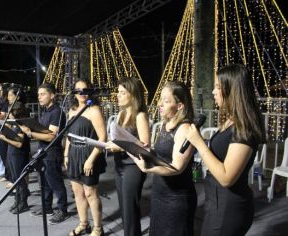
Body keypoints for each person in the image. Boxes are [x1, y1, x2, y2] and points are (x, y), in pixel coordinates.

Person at [185, 64, 266, 235]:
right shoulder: (230, 120)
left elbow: (226, 177)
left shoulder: (244, 128)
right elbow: (224, 151)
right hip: (215, 203)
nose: (213, 92)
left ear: (232, 90)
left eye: (217, 87)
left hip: (229, 208)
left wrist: (199, 143)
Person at [129, 81, 197, 236]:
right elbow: (161, 155)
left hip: (177, 198)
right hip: (160, 191)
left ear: (179, 106)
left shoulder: (184, 128)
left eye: (166, 101)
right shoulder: (164, 125)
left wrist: (148, 168)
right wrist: (146, 150)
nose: (160, 104)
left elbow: (176, 168)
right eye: (161, 99)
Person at [106, 77, 150, 236]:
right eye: (118, 92)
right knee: (125, 209)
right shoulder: (120, 115)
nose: (118, 95)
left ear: (133, 95)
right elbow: (117, 139)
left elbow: (145, 146)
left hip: (133, 166)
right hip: (119, 165)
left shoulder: (140, 116)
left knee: (130, 209)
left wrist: (117, 146)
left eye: (122, 92)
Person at [20, 83, 69, 224]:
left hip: (52, 153)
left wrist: (30, 133)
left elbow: (51, 136)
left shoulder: (57, 112)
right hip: (43, 152)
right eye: (38, 94)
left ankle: (62, 210)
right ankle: (47, 207)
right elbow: (42, 132)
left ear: (52, 95)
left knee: (55, 182)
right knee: (45, 183)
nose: (39, 97)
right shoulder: (46, 111)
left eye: (42, 94)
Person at [64, 78, 107, 236]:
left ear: (90, 91)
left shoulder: (94, 110)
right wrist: (66, 154)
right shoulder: (72, 110)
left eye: (85, 90)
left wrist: (90, 159)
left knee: (90, 192)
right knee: (77, 192)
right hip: (74, 153)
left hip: (89, 154)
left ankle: (98, 228)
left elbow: (102, 139)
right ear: (74, 93)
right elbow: (69, 135)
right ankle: (83, 224)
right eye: (78, 90)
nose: (82, 93)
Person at [0, 99, 30, 214]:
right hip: (12, 154)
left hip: (18, 155)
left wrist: (4, 138)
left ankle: (23, 202)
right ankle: (17, 200)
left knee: (19, 179)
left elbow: (19, 143)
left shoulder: (21, 124)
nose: (8, 114)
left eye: (9, 112)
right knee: (15, 178)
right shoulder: (15, 124)